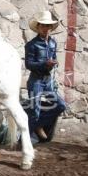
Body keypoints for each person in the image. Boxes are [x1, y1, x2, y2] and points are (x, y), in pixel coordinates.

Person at [25, 11, 66, 142]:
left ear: (50, 28)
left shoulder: (53, 43)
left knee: (61, 106)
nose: (46, 29)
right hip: (35, 82)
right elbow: (29, 64)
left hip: (48, 82)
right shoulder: (31, 44)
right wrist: (45, 63)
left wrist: (53, 62)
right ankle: (26, 142)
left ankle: (38, 125)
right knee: (34, 112)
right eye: (43, 26)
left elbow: (53, 58)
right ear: (38, 27)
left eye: (48, 26)